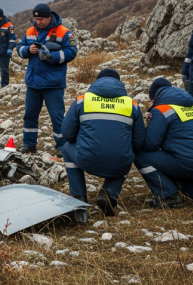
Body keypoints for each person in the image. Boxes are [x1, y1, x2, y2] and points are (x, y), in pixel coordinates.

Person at [61, 69, 144, 216]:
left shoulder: (82, 100)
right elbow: (138, 143)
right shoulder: (132, 105)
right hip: (119, 163)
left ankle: (79, 198)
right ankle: (109, 194)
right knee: (127, 154)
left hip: (87, 159)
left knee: (66, 148)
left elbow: (67, 134)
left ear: (97, 82)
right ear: (119, 83)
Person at [135, 78, 193, 208]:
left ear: (155, 97)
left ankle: (168, 196)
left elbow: (150, 144)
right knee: (174, 157)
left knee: (140, 157)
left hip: (190, 162)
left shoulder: (162, 110)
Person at [16, 3, 77, 154]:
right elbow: (20, 48)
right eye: (36, 19)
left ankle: (63, 147)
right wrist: (28, 50)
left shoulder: (64, 32)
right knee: (29, 115)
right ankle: (29, 144)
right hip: (33, 83)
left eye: (41, 19)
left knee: (57, 116)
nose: (38, 22)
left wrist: (51, 56)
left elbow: (71, 52)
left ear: (50, 17)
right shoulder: (30, 31)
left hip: (53, 84)